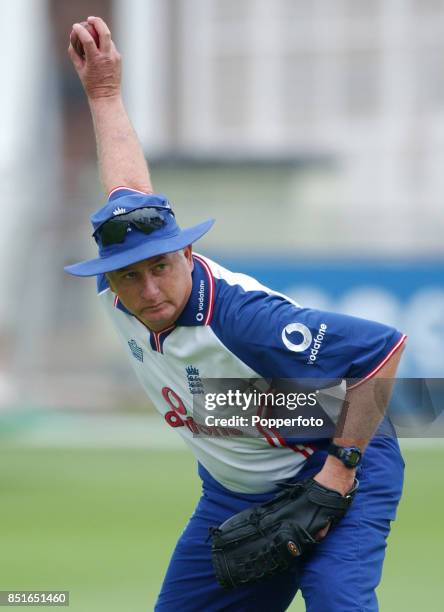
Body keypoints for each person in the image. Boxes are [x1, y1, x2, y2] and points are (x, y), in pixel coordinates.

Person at [65, 17, 406, 612]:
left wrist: (340, 469)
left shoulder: (242, 320)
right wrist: (105, 93)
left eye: (161, 267)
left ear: (187, 254)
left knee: (337, 604)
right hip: (237, 486)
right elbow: (129, 188)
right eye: (129, 274)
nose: (149, 288)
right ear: (109, 278)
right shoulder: (123, 293)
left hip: (337, 466)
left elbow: (380, 351)